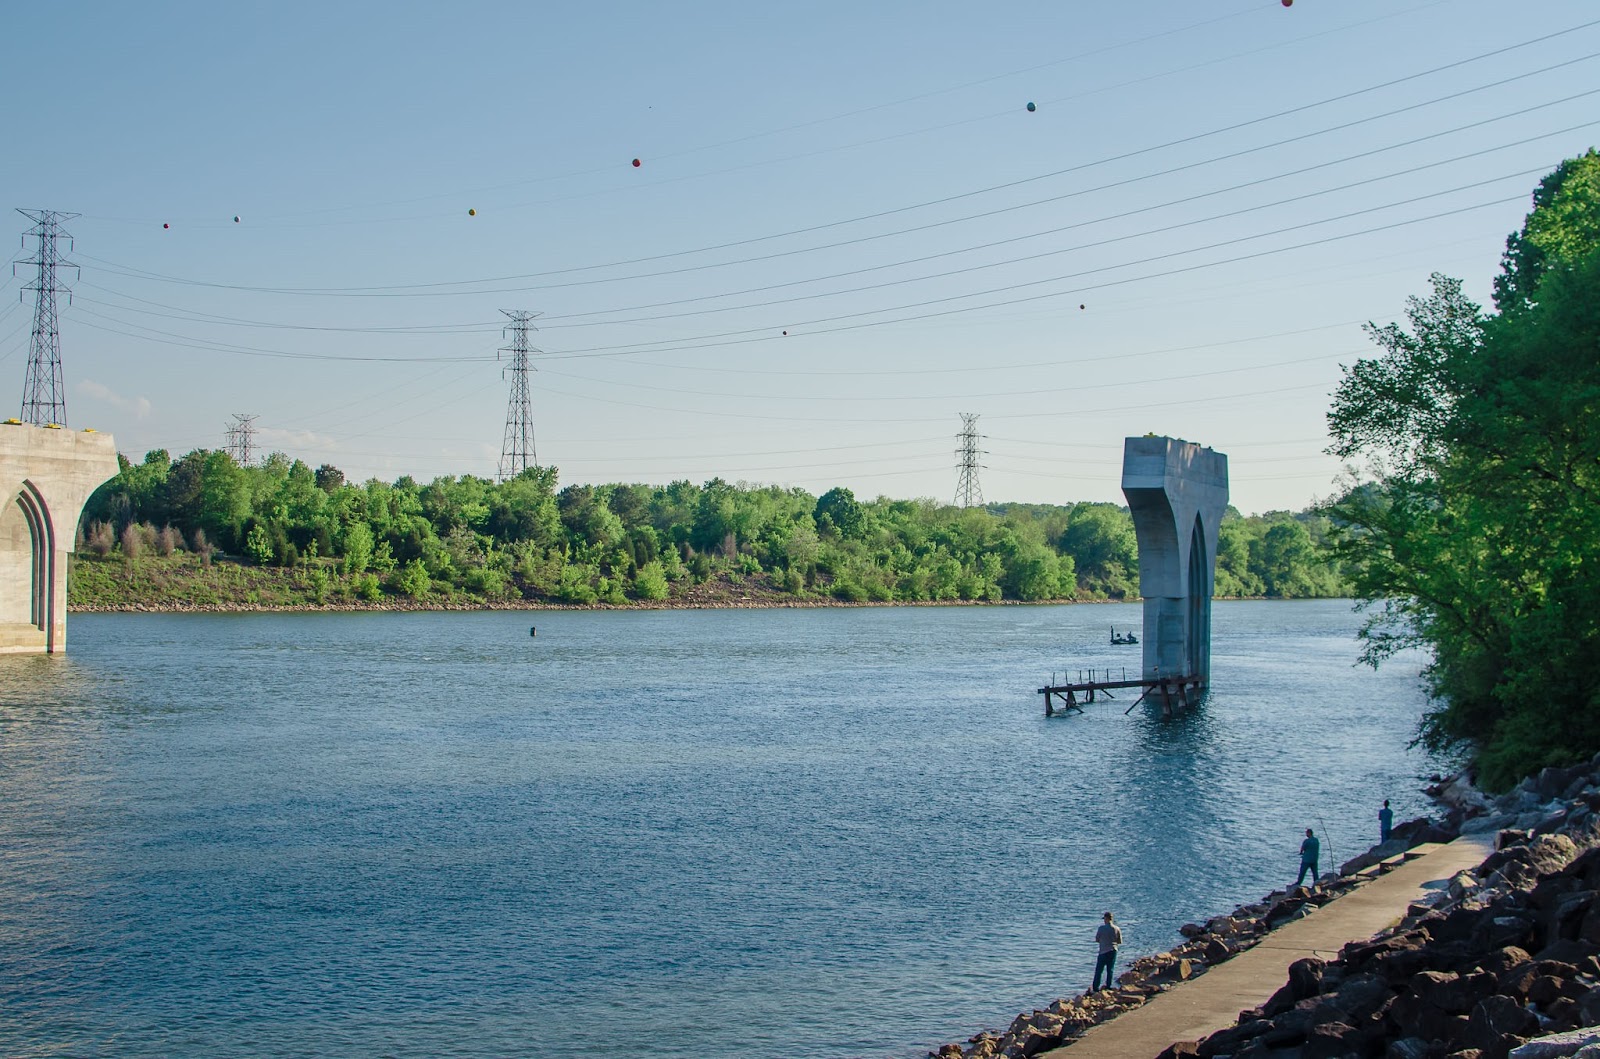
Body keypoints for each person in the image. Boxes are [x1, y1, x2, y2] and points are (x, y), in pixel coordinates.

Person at [1092, 911, 1122, 991]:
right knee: (1110, 969)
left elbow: (1097, 939)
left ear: (1106, 918)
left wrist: (1104, 941)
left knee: (1099, 970)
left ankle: (1095, 988)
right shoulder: (1117, 928)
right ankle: (1108, 986)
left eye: (1104, 919)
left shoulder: (1101, 928)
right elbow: (1119, 941)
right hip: (1113, 950)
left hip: (1103, 951)